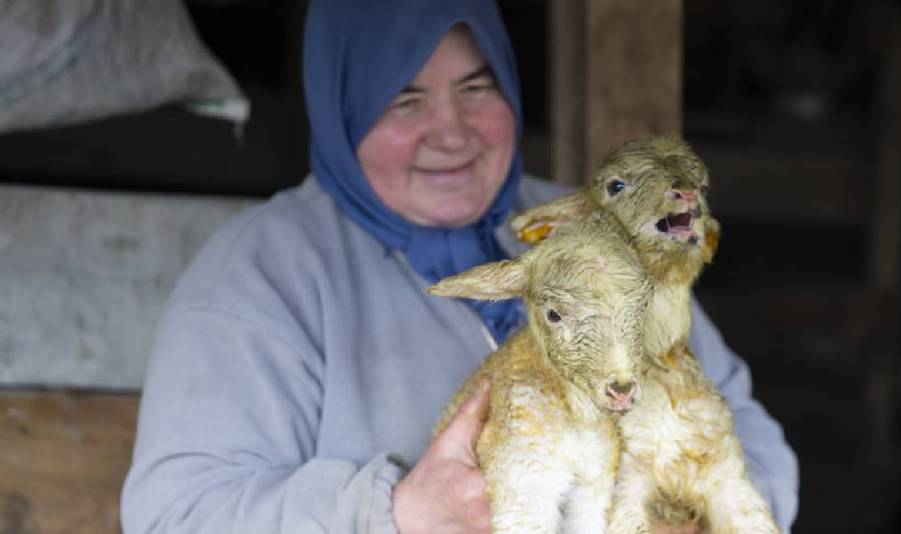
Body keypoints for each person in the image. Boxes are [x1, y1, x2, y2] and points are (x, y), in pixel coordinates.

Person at [120, 0, 799, 532]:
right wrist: (398, 515)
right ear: (342, 112)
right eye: (404, 101)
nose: (452, 133)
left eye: (477, 88)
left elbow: (747, 430)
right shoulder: (262, 275)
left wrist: (697, 520)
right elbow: (175, 517)